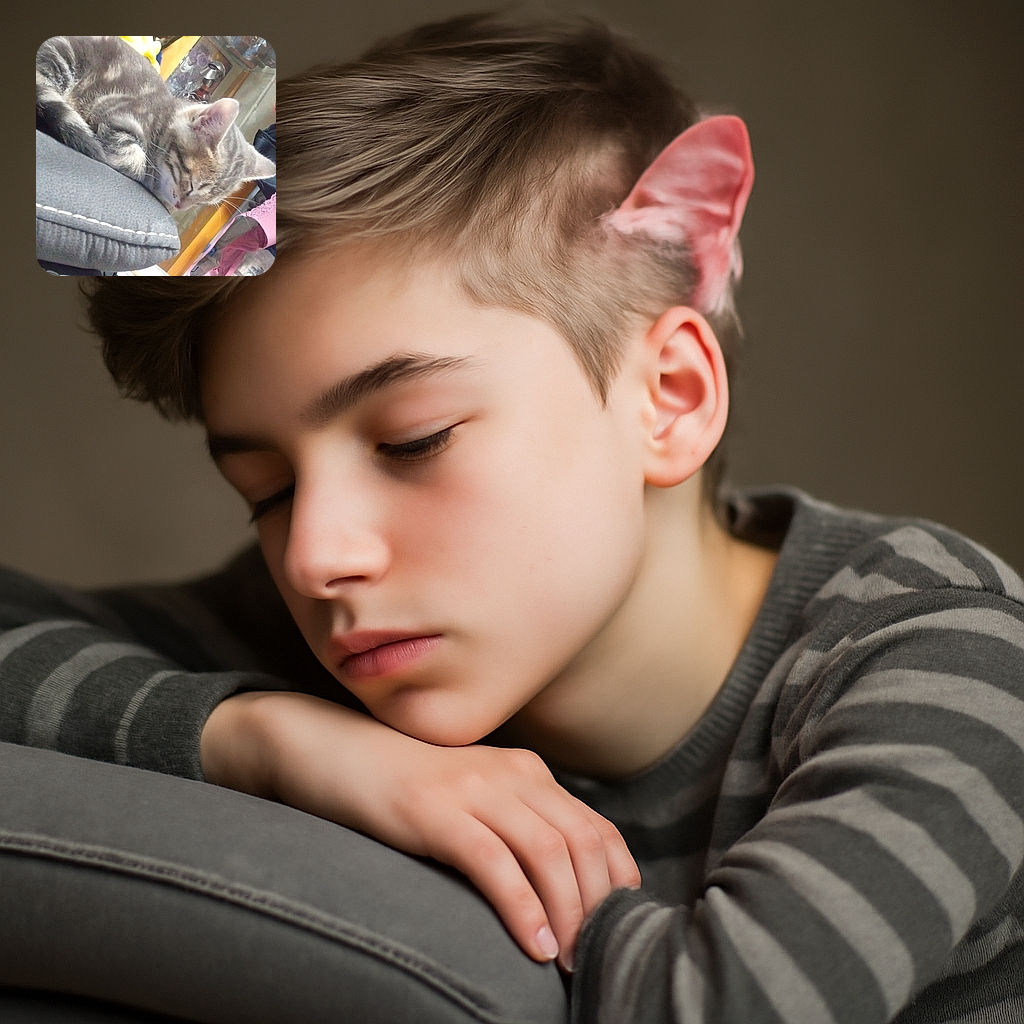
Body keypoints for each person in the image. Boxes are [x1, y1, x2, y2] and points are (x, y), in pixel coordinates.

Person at [4, 12, 1023, 1022]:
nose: (315, 555)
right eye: (264, 489)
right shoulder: (341, 657)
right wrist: (271, 741)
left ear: (666, 394)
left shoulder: (942, 655)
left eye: (413, 440)